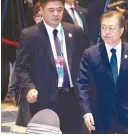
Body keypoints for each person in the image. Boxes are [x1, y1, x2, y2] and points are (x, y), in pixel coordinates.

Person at [15, 0, 89, 133]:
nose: (56, 14)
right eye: (51, 10)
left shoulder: (76, 32)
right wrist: (28, 88)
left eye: (59, 10)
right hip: (44, 100)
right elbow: (21, 68)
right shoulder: (30, 35)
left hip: (73, 98)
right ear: (42, 10)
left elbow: (85, 63)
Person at [76, 11, 128, 133]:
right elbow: (83, 84)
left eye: (111, 28)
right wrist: (86, 112)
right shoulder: (91, 54)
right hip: (100, 117)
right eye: (103, 28)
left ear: (121, 30)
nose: (107, 32)